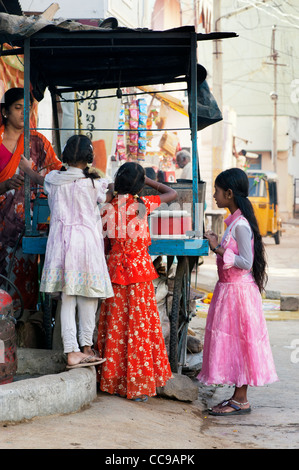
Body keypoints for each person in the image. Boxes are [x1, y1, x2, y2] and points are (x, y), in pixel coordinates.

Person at [24, 134, 114, 369]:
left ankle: (73, 351)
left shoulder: (54, 179)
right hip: (87, 244)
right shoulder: (96, 182)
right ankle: (85, 346)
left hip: (62, 243)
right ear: (89, 158)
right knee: (88, 295)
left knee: (68, 298)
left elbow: (37, 177)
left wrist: (27, 168)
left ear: (64, 156)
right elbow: (108, 195)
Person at [198, 168, 278, 415]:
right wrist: (217, 244)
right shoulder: (233, 223)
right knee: (232, 344)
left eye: (217, 191)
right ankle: (237, 397)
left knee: (241, 344)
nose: (214, 195)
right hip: (229, 293)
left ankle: (241, 399)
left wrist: (217, 249)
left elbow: (246, 261)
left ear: (229, 194)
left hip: (239, 295)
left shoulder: (241, 225)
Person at [97, 161, 177, 401]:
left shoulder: (107, 208)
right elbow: (171, 193)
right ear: (139, 186)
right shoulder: (142, 205)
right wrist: (149, 182)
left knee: (115, 327)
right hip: (139, 272)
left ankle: (112, 381)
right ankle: (137, 385)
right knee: (138, 329)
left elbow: (106, 245)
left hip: (115, 272)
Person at [0, 87, 62, 310]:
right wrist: (5, 185)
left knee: (23, 278)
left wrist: (35, 174)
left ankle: (24, 325)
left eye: (27, 108)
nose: (23, 113)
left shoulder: (38, 142)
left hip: (27, 224)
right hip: (1, 222)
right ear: (5, 111)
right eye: (18, 108)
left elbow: (58, 176)